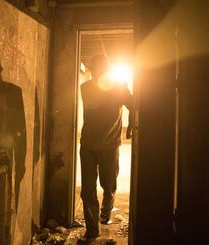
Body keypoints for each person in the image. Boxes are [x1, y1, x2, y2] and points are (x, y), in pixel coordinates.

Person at [79, 54, 133, 242]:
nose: (98, 72)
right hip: (88, 145)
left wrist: (132, 122)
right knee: (87, 190)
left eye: (101, 68)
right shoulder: (85, 88)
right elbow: (99, 101)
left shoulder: (118, 88)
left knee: (108, 184)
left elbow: (134, 105)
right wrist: (121, 88)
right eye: (95, 69)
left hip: (109, 145)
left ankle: (106, 211)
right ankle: (92, 229)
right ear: (92, 70)